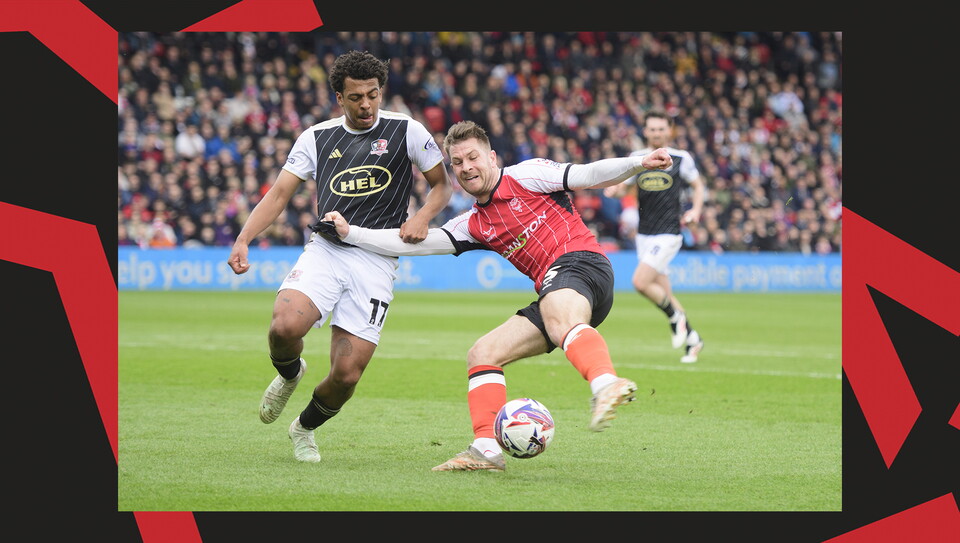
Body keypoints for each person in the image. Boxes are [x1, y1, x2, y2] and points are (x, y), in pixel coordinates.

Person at [322, 120, 673, 471]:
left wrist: (638, 163)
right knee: (483, 354)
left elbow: (588, 174)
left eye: (473, 157)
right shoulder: (473, 224)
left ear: (491, 157)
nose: (466, 167)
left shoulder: (527, 175)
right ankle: (486, 450)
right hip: (556, 292)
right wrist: (351, 234)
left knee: (558, 316)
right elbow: (413, 245)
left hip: (582, 263)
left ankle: (606, 383)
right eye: (457, 163)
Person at [227, 50, 452, 463]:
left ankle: (303, 428)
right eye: (356, 97)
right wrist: (244, 238)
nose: (367, 104)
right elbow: (279, 194)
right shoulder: (316, 137)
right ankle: (290, 374)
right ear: (339, 98)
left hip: (377, 261)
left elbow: (442, 185)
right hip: (327, 250)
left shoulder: (407, 130)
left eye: (373, 94)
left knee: (346, 376)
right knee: (284, 327)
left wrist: (422, 216)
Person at [605, 111, 705, 363]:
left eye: (661, 129)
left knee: (640, 282)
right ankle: (693, 339)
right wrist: (615, 191)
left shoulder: (681, 158)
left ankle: (675, 318)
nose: (657, 133)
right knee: (664, 294)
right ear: (645, 131)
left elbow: (698, 186)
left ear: (669, 131)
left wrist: (695, 210)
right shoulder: (638, 158)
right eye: (652, 129)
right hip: (644, 235)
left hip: (669, 233)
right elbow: (625, 188)